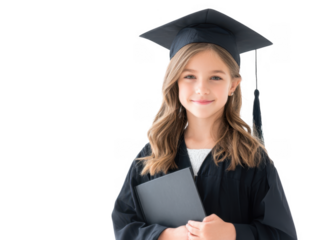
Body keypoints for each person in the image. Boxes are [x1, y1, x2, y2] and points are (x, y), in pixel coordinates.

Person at [111, 8, 297, 240]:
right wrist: (168, 235)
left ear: (233, 85)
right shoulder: (153, 154)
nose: (202, 88)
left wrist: (232, 233)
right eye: (189, 76)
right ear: (175, 81)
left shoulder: (252, 159)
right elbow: (124, 223)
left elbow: (282, 234)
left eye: (216, 77)